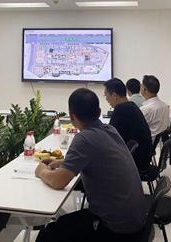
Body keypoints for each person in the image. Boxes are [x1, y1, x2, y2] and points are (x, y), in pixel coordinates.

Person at [35, 88, 146, 242]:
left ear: (71, 116)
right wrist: (64, 163)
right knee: (62, 225)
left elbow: (58, 182)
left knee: (48, 234)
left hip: (115, 230)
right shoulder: (109, 129)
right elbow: (96, 156)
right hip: (134, 220)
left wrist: (41, 170)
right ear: (99, 112)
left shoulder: (84, 139)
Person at [104, 78, 152, 173]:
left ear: (114, 95)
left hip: (135, 162)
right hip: (143, 157)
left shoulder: (121, 109)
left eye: (106, 95)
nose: (106, 99)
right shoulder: (131, 106)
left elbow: (109, 138)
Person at [139, 75, 169, 140]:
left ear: (144, 89)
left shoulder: (146, 109)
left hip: (147, 142)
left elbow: (136, 128)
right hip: (158, 142)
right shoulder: (165, 106)